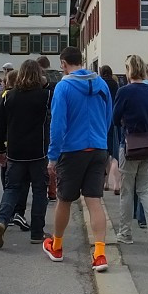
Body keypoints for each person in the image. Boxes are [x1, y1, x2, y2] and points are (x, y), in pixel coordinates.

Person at [42, 46, 112, 272]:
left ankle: (57, 246)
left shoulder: (63, 87)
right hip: (98, 147)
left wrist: (53, 156)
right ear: (81, 60)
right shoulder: (101, 84)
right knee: (94, 201)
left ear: (63, 63)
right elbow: (108, 115)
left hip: (72, 150)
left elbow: (58, 124)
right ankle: (100, 253)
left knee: (64, 200)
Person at [0, 59, 50, 248]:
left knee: (12, 189)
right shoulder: (45, 96)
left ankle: (2, 221)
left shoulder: (8, 97)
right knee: (40, 191)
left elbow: (0, 126)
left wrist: (0, 149)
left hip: (15, 151)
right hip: (38, 151)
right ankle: (37, 232)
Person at [112, 55, 148, 249]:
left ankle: (125, 233)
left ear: (128, 70)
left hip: (129, 145)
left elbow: (115, 117)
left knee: (127, 191)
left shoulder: (125, 91)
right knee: (145, 189)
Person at [37, 55, 63, 201]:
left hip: (44, 120)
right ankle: (53, 190)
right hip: (55, 118)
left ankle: (46, 188)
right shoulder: (57, 77)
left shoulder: (39, 79)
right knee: (54, 156)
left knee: (45, 157)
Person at [99, 65, 122, 195]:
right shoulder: (116, 85)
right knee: (115, 155)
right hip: (114, 122)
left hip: (102, 121)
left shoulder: (99, 85)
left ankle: (105, 182)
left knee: (104, 154)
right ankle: (117, 185)